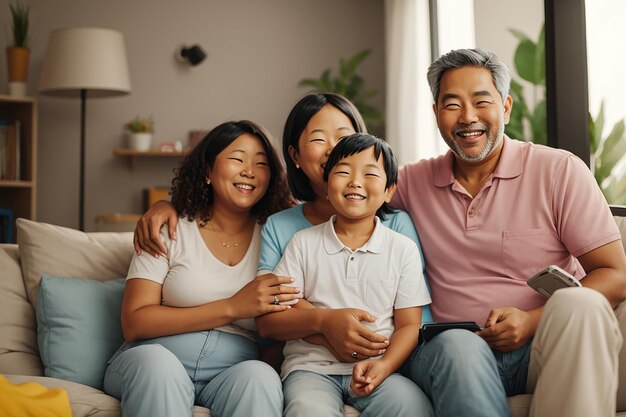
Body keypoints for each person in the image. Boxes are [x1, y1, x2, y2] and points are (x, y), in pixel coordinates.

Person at [393, 48, 626, 417]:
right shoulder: (408, 182)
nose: (468, 117)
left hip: (539, 348)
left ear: (506, 107)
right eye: (452, 104)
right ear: (436, 113)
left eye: (481, 101)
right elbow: (343, 202)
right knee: (458, 344)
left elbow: (616, 274)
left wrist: (532, 319)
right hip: (450, 352)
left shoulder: (558, 171)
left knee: (581, 303)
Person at [133, 93, 432, 365]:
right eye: (318, 139)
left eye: (344, 137)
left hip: (383, 362)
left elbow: (413, 320)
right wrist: (167, 205)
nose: (333, 149)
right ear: (295, 156)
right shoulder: (280, 224)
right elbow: (272, 320)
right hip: (306, 365)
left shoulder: (396, 226)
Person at [103, 120, 299, 417]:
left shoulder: (277, 238)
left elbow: (278, 335)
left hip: (232, 370)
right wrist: (232, 307)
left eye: (261, 164)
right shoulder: (168, 228)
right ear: (207, 170)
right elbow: (135, 322)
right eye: (237, 159)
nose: (249, 171)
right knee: (160, 368)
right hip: (153, 359)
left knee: (260, 378)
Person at [260, 133, 433, 417]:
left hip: (377, 370)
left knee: (412, 406)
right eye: (343, 172)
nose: (355, 181)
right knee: (307, 410)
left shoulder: (402, 249)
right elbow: (277, 314)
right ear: (327, 187)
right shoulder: (303, 243)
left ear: (389, 190)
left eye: (370, 174)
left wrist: (385, 366)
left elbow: (408, 326)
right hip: (309, 370)